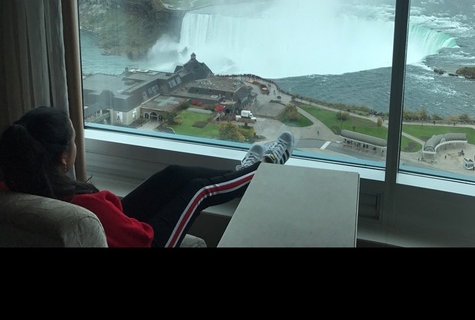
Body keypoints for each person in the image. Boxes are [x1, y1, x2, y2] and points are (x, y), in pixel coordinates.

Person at [0, 106, 295, 248]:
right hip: (150, 245)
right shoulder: (86, 210)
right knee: (199, 191)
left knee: (173, 174)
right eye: (75, 140)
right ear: (63, 159)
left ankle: (241, 173)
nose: (77, 146)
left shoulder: (17, 181)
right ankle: (265, 167)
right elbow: (143, 239)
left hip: (116, 227)